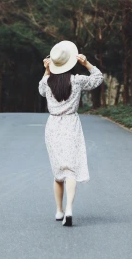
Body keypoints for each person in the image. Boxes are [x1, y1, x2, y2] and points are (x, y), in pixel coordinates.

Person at [38, 40, 103, 227]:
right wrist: (86, 64)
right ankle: (69, 209)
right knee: (71, 170)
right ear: (70, 62)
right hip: (71, 124)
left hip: (53, 126)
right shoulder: (77, 80)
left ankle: (58, 211)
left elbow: (41, 91)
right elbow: (98, 78)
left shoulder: (47, 82)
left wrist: (47, 70)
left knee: (58, 172)